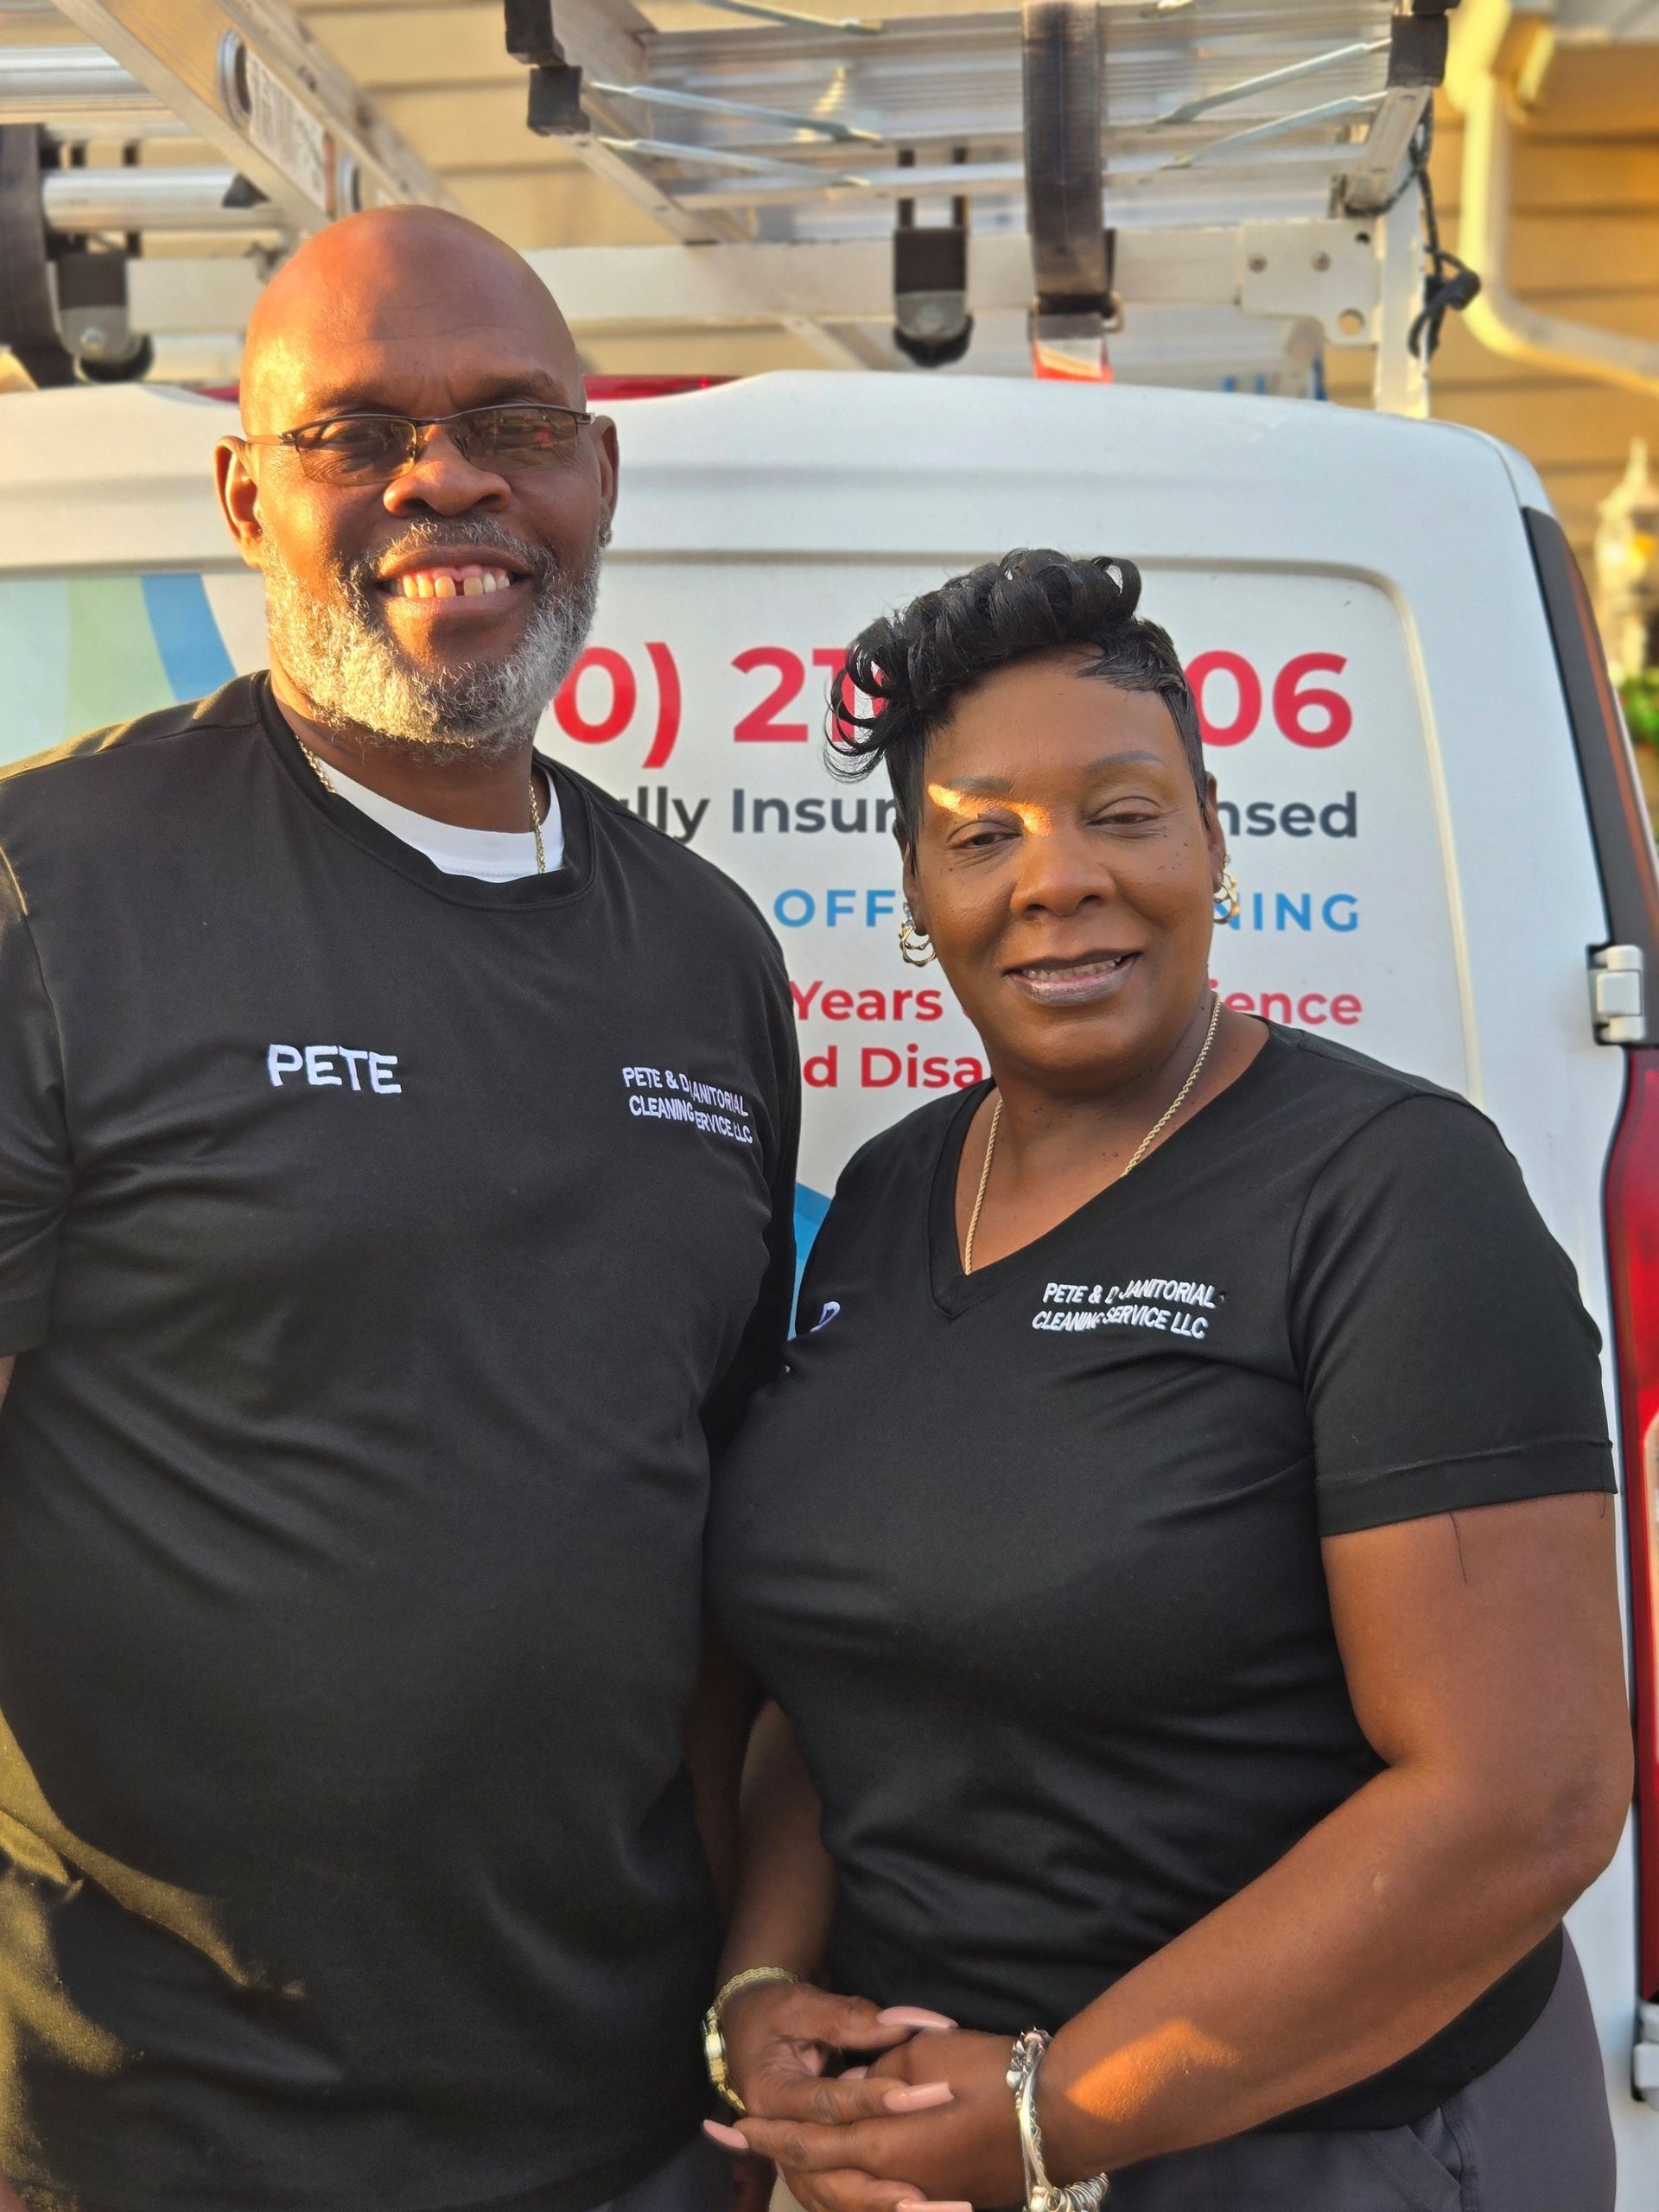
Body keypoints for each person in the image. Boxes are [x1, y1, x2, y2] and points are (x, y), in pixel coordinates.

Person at [0, 207, 797, 2212]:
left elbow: (700, 1549)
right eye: (358, 432)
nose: (449, 480)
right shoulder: (56, 887)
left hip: (618, 2123)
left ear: (596, 474)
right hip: (140, 2127)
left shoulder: (706, 956)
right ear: (245, 490)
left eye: (512, 422)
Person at [699, 552, 1631, 2212]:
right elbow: (841, 1684)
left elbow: (1525, 1800)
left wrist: (1057, 2115)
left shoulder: (1392, 1193)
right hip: (942, 2139)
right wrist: (767, 1993)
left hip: (1334, 2150)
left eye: (1122, 813)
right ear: (915, 888)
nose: (1057, 881)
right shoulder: (898, 1194)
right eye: (982, 832)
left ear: (1213, 838)